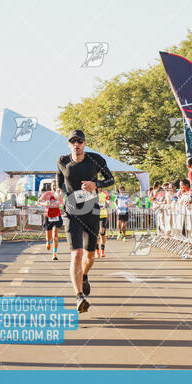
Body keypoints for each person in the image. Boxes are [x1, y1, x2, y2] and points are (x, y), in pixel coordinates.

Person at [56, 129, 114, 313]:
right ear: (69, 144)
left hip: (91, 211)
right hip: (71, 211)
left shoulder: (96, 159)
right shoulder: (62, 161)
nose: (76, 144)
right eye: (73, 141)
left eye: (79, 141)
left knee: (90, 256)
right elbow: (59, 182)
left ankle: (85, 275)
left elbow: (110, 179)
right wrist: (61, 193)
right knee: (77, 254)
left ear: (84, 143)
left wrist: (96, 184)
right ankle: (79, 296)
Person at [38, 180, 63, 261]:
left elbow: (61, 203)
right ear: (51, 186)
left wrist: (59, 201)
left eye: (56, 185)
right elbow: (39, 202)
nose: (55, 187)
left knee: (55, 236)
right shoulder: (46, 194)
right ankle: (48, 242)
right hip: (48, 216)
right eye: (53, 185)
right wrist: (45, 204)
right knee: (49, 237)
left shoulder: (59, 194)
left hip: (56, 216)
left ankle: (54, 254)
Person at [96, 187, 110, 258]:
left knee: (102, 232)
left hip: (103, 215)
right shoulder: (92, 194)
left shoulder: (104, 194)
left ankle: (102, 251)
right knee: (95, 234)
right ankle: (97, 251)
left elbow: (109, 203)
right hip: (94, 215)